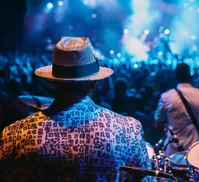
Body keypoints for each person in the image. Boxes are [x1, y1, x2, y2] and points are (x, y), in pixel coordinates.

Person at [0, 37, 151, 182]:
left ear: (53, 82)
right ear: (94, 84)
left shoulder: (15, 134)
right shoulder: (127, 130)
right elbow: (145, 179)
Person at [154, 63, 199, 156]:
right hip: (198, 149)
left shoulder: (166, 97)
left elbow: (157, 124)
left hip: (174, 151)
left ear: (175, 77)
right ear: (190, 76)